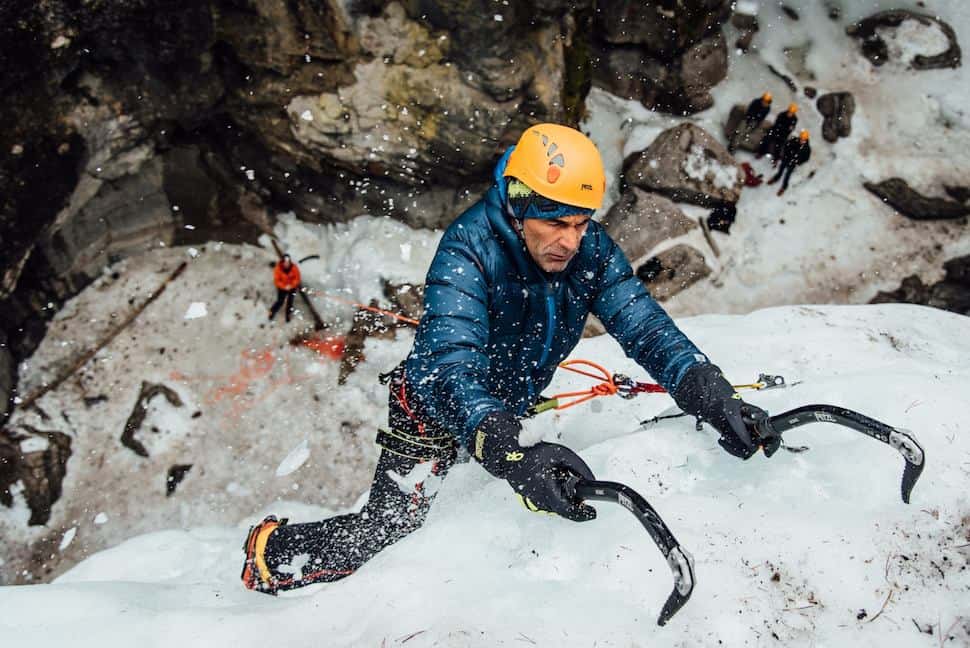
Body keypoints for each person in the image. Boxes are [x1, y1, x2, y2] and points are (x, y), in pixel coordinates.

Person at [241, 124, 773, 594]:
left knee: (467, 516)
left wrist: (706, 387)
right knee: (391, 534)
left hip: (502, 408)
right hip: (431, 408)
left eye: (580, 223)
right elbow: (446, 367)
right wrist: (511, 451)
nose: (570, 241)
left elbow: (644, 326)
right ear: (519, 206)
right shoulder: (467, 249)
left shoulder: (590, 250)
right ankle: (273, 553)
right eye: (555, 223)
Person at [767, 129, 811, 196]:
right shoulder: (794, 140)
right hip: (786, 159)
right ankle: (776, 178)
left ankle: (784, 187)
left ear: (806, 140)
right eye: (801, 139)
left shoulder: (807, 148)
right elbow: (786, 145)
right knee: (780, 170)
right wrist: (785, 154)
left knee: (787, 175)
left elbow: (806, 158)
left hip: (793, 162)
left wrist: (798, 162)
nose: (802, 141)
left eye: (804, 140)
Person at [268, 254, 301, 322]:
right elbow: (277, 281)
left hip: (292, 287)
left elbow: (297, 278)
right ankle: (272, 312)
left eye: (288, 262)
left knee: (290, 302)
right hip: (282, 288)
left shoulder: (294, 267)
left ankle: (288, 314)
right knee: (280, 301)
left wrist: (291, 285)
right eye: (285, 262)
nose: (287, 264)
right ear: (282, 262)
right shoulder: (278, 269)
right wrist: (284, 286)